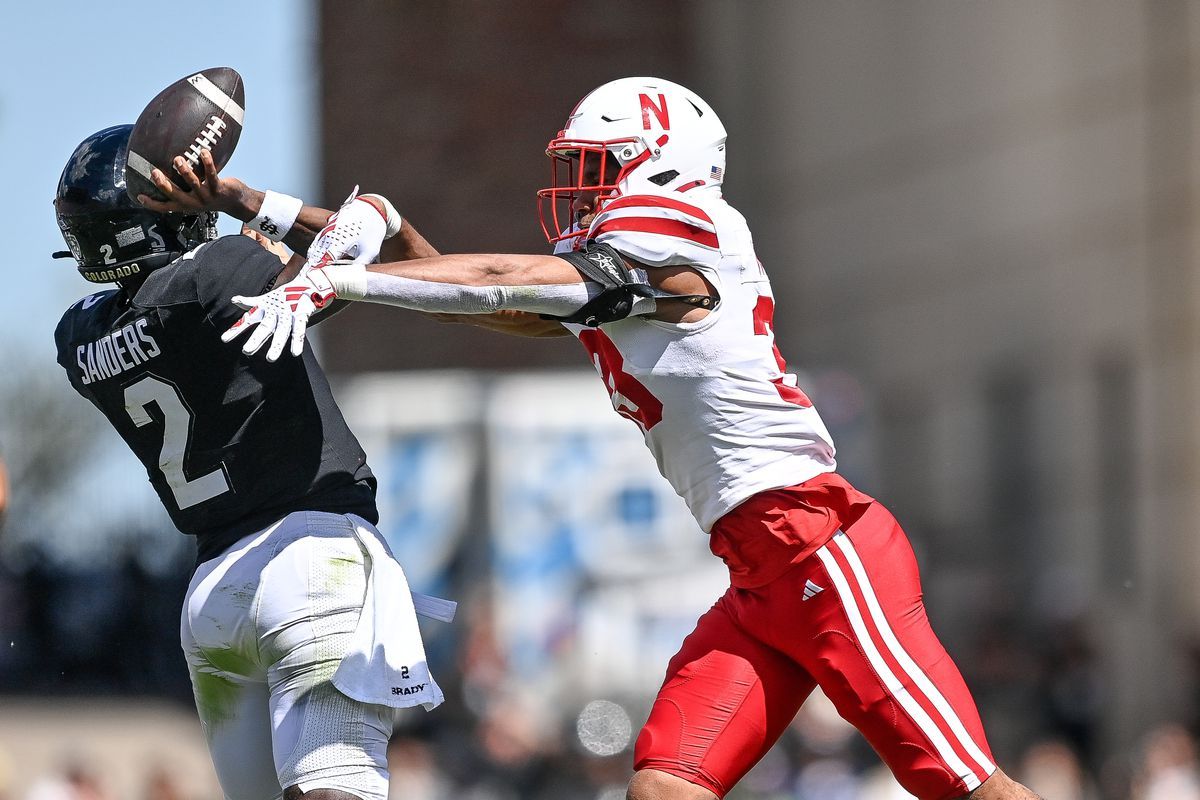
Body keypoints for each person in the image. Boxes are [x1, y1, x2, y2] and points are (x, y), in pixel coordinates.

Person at [148, 78, 1042, 800]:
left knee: (968, 789)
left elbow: (497, 279)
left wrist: (333, 281)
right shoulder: (626, 277)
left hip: (822, 549)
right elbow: (483, 293)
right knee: (664, 785)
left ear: (660, 164)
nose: (580, 188)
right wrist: (250, 202)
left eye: (597, 166)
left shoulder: (684, 233)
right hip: (761, 572)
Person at [52, 124, 449, 800]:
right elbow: (366, 254)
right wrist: (273, 209)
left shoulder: (80, 335)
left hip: (212, 596)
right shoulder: (221, 272)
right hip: (310, 558)